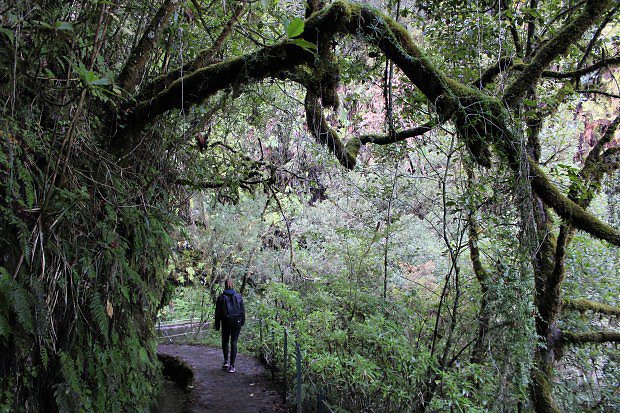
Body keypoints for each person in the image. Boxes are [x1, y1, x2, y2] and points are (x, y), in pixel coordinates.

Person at [214, 278, 245, 373]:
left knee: (225, 341)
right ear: (233, 285)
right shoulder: (239, 296)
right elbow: (243, 311)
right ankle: (232, 366)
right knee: (234, 342)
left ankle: (226, 361)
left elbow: (218, 313)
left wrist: (217, 325)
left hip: (226, 321)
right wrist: (242, 321)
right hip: (237, 322)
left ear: (225, 286)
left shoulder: (221, 297)